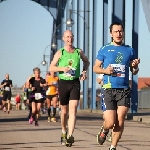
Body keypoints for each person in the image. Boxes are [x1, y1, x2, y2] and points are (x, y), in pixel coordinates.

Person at [93, 22, 140, 150]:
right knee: (110, 122)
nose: (118, 34)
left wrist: (135, 67)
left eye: (120, 31)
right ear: (111, 34)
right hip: (108, 89)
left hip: (124, 89)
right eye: (116, 31)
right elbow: (95, 68)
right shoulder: (104, 49)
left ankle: (113, 147)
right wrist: (105, 71)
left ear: (123, 33)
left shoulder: (130, 50)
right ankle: (105, 129)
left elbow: (134, 70)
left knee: (120, 121)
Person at [50, 30, 90, 146]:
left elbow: (86, 62)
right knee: (64, 111)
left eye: (71, 37)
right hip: (63, 83)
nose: (70, 39)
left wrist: (84, 71)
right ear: (63, 38)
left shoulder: (78, 52)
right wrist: (62, 68)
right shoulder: (60, 52)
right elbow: (51, 68)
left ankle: (70, 135)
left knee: (73, 110)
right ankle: (63, 130)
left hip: (75, 83)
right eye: (67, 37)